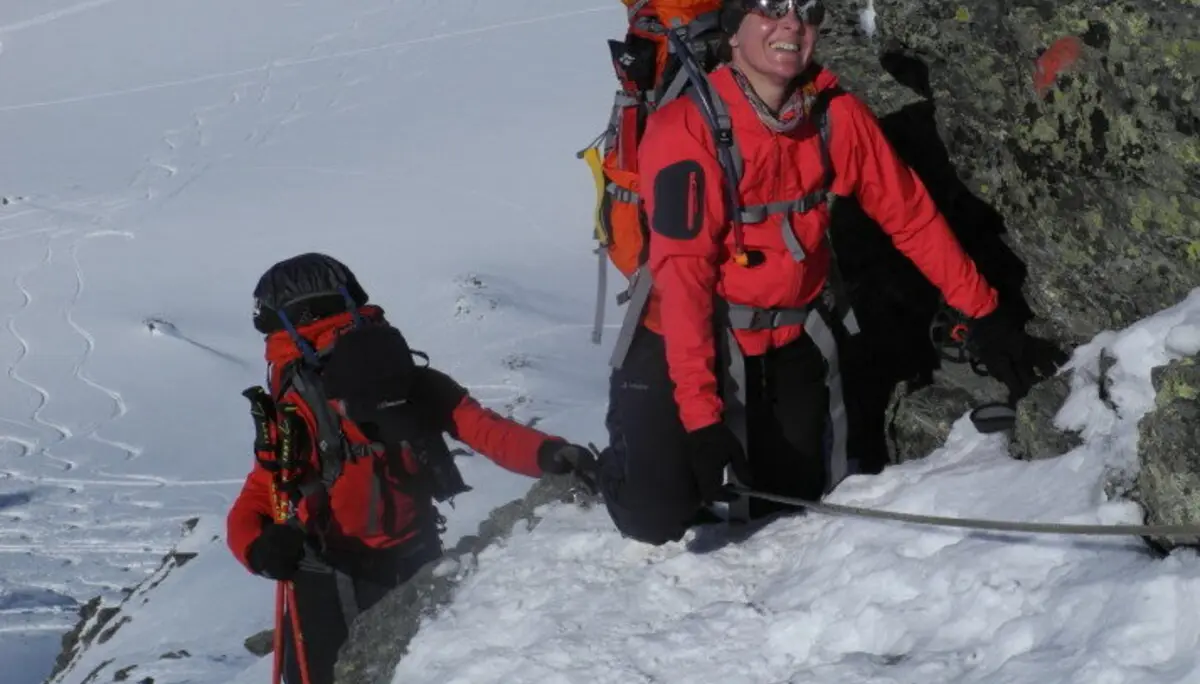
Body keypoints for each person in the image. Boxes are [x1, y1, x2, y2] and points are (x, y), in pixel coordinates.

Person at [597, 0, 1059, 545]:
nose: (791, 22)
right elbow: (684, 280)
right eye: (770, 7)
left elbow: (911, 218)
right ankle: (611, 463)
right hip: (684, 334)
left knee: (785, 505)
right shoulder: (685, 128)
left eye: (807, 9)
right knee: (655, 514)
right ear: (734, 28)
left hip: (789, 337)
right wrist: (701, 418)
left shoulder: (834, 115)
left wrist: (986, 315)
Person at [225, 253, 598, 684]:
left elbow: (261, 494)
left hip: (327, 578)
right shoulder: (408, 379)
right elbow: (483, 429)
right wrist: (549, 453)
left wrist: (259, 549)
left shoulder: (298, 404)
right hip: (419, 558)